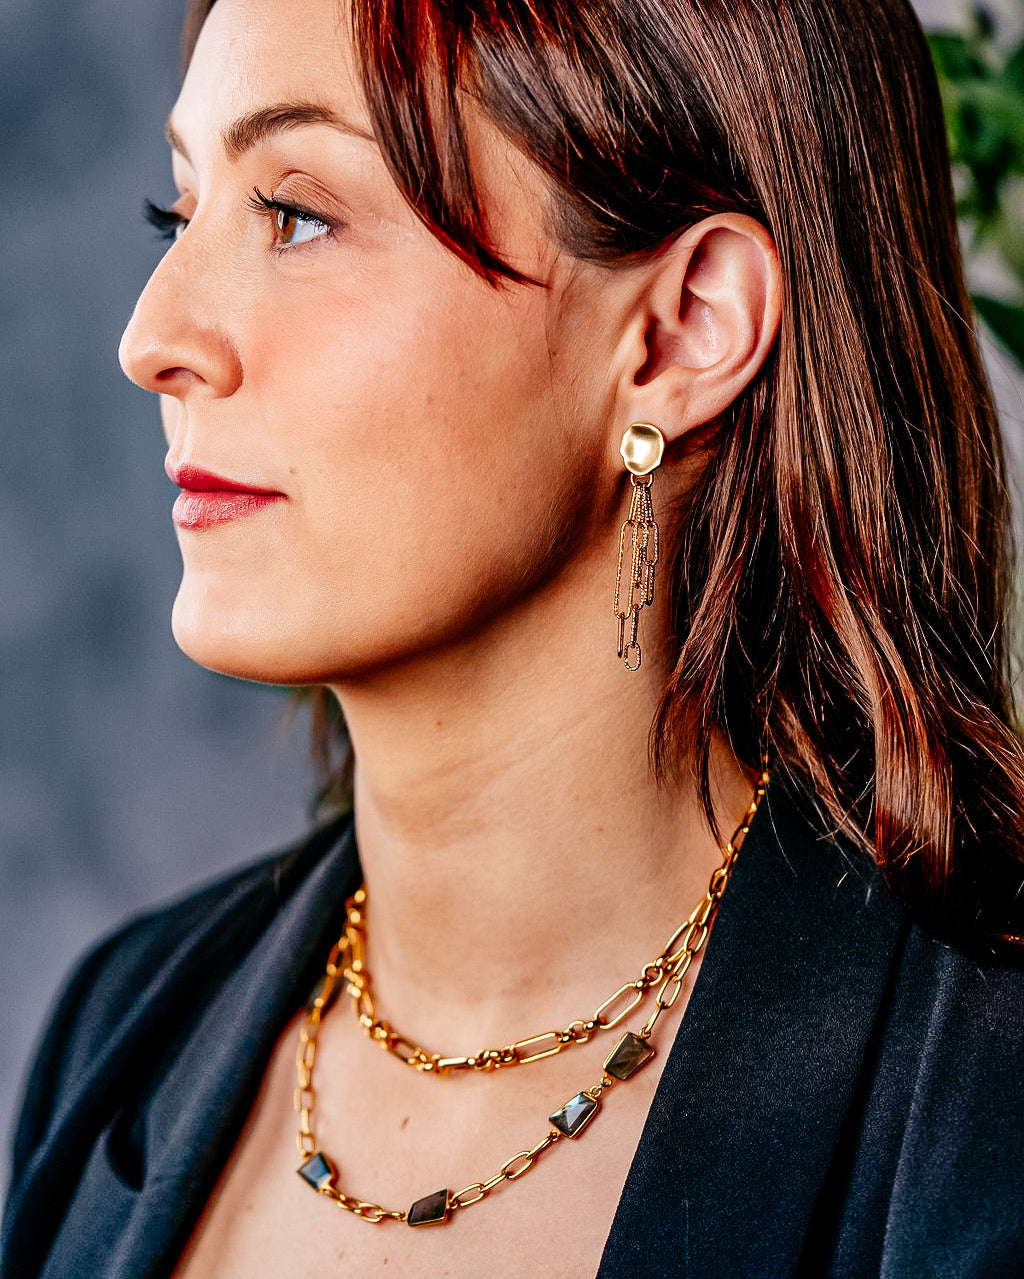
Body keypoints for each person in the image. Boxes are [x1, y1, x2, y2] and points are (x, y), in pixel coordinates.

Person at [4, 0, 1024, 1274]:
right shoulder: (122, 1034)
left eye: (297, 213)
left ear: (678, 330)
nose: (152, 338)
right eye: (181, 210)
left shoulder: (979, 1097)